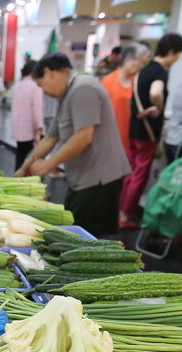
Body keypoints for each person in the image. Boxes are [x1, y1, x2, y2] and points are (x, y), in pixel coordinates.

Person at [15, 52, 130, 238]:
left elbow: (84, 137)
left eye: (40, 84)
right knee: (73, 230)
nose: (43, 91)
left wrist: (48, 164)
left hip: (99, 178)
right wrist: (24, 167)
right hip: (83, 177)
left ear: (50, 72)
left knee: (85, 237)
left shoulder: (83, 89)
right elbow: (50, 138)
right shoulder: (67, 94)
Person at [121, 33, 182, 228]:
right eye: (178, 55)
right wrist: (158, 106)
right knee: (140, 173)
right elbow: (155, 92)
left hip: (134, 127)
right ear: (172, 52)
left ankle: (121, 210)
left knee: (130, 171)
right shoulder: (159, 72)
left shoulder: (143, 70)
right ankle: (125, 215)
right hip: (147, 131)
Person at [101, 43, 151, 152]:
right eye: (140, 62)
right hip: (109, 140)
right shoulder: (107, 81)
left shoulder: (139, 82)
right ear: (128, 59)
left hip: (133, 141)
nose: (141, 66)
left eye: (144, 64)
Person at [10, 59, 44, 171]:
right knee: (33, 159)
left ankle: (16, 180)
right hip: (30, 130)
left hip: (18, 129)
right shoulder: (36, 86)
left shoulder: (16, 86)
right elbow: (37, 110)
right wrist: (39, 129)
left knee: (20, 156)